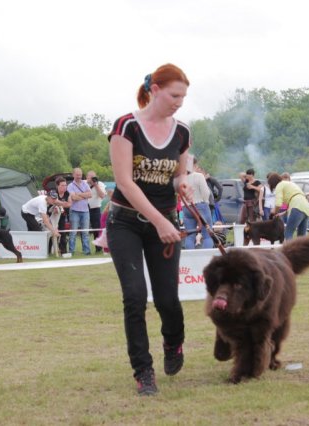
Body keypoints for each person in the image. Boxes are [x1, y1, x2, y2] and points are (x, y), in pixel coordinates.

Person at [106, 63, 191, 396]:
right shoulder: (126, 126)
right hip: (126, 222)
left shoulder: (183, 131)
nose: (179, 102)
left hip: (167, 220)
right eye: (174, 95)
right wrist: (159, 220)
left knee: (168, 299)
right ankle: (143, 371)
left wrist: (183, 183)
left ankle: (174, 342)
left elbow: (179, 172)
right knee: (135, 297)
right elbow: (125, 182)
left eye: (183, 97)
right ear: (154, 90)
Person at [267, 172, 309, 240]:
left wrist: (274, 212)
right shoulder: (290, 183)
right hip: (307, 208)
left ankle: (289, 250)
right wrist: (282, 213)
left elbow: (278, 203)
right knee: (301, 236)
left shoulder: (279, 185)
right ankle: (302, 250)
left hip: (297, 206)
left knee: (288, 232)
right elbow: (297, 201)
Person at [182, 157, 213, 249]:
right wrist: (206, 201)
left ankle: (191, 259)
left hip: (186, 208)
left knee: (190, 235)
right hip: (200, 206)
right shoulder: (199, 176)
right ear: (194, 165)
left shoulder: (181, 178)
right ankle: (206, 258)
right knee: (207, 234)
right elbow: (206, 192)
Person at [67, 168, 92, 256]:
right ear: (73, 175)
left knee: (85, 232)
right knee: (73, 232)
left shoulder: (85, 184)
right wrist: (84, 195)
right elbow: (74, 198)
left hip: (85, 211)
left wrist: (79, 194)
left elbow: (90, 194)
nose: (79, 176)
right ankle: (71, 251)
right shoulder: (70, 186)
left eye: (80, 175)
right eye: (77, 175)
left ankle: (87, 251)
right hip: (74, 211)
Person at [86, 170, 107, 254]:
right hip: (84, 209)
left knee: (96, 228)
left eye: (93, 177)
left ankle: (98, 248)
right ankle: (86, 250)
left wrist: (96, 185)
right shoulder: (83, 184)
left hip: (95, 209)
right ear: (87, 177)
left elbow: (102, 196)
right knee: (85, 230)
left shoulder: (100, 184)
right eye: (89, 177)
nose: (91, 179)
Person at [53, 177, 71, 256]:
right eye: (62, 185)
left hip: (63, 216)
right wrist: (64, 203)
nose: (65, 187)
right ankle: (51, 251)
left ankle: (63, 251)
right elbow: (53, 203)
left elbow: (69, 204)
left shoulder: (68, 194)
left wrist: (59, 203)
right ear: (57, 186)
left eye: (65, 185)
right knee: (52, 233)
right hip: (53, 217)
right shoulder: (53, 193)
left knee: (62, 233)